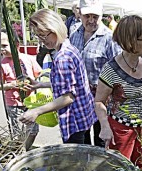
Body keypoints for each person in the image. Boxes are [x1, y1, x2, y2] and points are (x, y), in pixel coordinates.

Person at [19, 8, 95, 144]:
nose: (42, 41)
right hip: (83, 115)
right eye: (38, 36)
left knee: (75, 161)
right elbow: (71, 84)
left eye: (44, 35)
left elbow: (68, 97)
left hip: (74, 119)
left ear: (55, 29)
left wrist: (36, 111)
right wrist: (41, 84)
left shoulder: (63, 58)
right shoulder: (69, 47)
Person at [94, 15, 142, 169]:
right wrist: (104, 126)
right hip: (120, 131)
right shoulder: (111, 69)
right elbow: (98, 101)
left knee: (141, 168)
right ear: (130, 41)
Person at [70, 0, 121, 146]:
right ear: (80, 14)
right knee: (82, 140)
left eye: (95, 16)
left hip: (103, 100)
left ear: (101, 15)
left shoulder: (110, 38)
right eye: (87, 16)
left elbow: (118, 69)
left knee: (101, 141)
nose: (91, 20)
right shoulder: (75, 34)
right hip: (80, 99)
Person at [0, 31, 41, 150]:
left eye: (4, 46)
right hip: (14, 103)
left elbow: (38, 76)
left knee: (33, 130)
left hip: (31, 101)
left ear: (16, 44)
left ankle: (25, 149)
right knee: (18, 132)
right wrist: (12, 84)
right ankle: (20, 151)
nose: (2, 50)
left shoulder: (28, 59)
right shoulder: (2, 64)